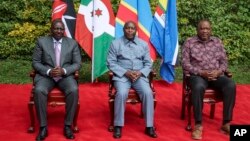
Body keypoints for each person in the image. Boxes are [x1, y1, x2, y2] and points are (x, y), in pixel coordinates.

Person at [182, 19, 236, 140]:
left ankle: (226, 123)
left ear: (210, 30)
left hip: (216, 75)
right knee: (198, 87)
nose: (204, 31)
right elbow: (185, 63)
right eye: (202, 28)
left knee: (230, 85)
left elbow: (224, 61)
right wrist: (201, 72)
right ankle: (198, 124)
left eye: (207, 28)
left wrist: (219, 71)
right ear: (197, 30)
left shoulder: (217, 42)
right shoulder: (189, 42)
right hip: (198, 76)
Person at [32, 19, 82, 140]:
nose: (59, 31)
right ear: (51, 29)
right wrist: (49, 71)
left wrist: (64, 71)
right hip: (46, 76)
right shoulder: (41, 42)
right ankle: (43, 127)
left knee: (73, 90)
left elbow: (77, 64)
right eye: (56, 28)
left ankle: (67, 126)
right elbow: (36, 62)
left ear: (64, 30)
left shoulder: (72, 43)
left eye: (61, 29)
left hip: (65, 76)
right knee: (39, 90)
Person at [107, 21, 157, 138]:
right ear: (123, 30)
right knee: (122, 93)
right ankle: (118, 126)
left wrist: (140, 73)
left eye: (132, 28)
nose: (130, 30)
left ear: (136, 30)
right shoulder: (115, 44)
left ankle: (149, 126)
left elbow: (148, 64)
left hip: (139, 76)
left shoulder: (143, 44)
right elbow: (111, 62)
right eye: (127, 28)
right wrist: (126, 72)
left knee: (148, 92)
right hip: (122, 76)